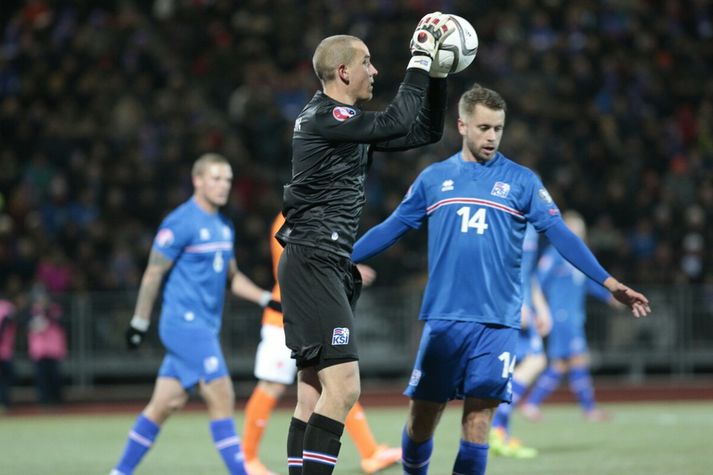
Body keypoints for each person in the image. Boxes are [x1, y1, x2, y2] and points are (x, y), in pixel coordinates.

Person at [351, 83, 651, 474]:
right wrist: (339, 256)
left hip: (497, 321)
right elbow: (391, 228)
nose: (491, 136)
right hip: (445, 318)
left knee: (478, 421)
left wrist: (609, 282)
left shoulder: (522, 181)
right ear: (461, 125)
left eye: (498, 128)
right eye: (483, 128)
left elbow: (560, 234)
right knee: (423, 416)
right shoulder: (434, 179)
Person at [275, 12, 456, 475]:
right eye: (368, 62)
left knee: (314, 391)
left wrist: (436, 76)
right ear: (343, 72)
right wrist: (419, 58)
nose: (375, 71)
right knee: (345, 388)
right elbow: (397, 118)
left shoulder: (344, 124)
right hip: (315, 258)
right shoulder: (324, 116)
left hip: (321, 260)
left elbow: (423, 130)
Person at [110, 153, 281, 475]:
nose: (223, 185)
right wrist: (140, 321)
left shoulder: (222, 225)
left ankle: (119, 472)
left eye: (228, 179)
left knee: (164, 404)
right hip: (184, 326)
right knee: (222, 394)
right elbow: (152, 274)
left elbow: (232, 276)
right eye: (216, 178)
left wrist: (266, 299)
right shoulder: (180, 222)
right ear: (197, 180)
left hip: (204, 326)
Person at [242, 213, 401, 475]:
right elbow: (298, 265)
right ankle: (247, 459)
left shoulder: (312, 211)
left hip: (307, 314)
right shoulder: (290, 217)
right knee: (273, 385)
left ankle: (370, 453)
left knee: (337, 383)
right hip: (284, 314)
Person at [520, 210, 622, 422]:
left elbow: (588, 282)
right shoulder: (555, 254)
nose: (578, 232)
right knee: (576, 359)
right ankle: (588, 409)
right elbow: (537, 280)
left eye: (580, 228)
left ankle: (533, 404)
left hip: (573, 315)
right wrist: (539, 307)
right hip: (561, 315)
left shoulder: (578, 257)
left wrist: (608, 296)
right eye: (574, 228)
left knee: (563, 364)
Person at [489, 224, 550, 458]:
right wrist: (514, 305)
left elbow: (528, 272)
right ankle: (497, 430)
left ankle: (500, 433)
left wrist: (542, 307)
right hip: (508, 305)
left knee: (514, 368)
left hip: (524, 303)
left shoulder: (531, 227)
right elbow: (496, 267)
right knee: (534, 361)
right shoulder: (505, 222)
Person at [27, 284, 67, 406]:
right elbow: (29, 325)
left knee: (55, 377)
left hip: (54, 350)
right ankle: (44, 401)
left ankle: (57, 400)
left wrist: (46, 312)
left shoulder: (54, 309)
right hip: (39, 351)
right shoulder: (33, 312)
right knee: (41, 379)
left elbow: (61, 322)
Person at [0, 297, 17, 412]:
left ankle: (5, 403)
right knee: (6, 378)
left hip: (5, 351)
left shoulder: (6, 306)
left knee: (7, 377)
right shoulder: (7, 306)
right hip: (4, 350)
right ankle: (4, 403)